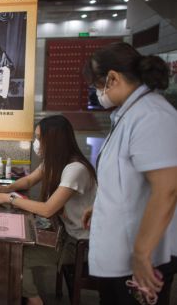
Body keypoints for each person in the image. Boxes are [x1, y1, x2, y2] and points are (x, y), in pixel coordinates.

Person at [81, 42, 177, 305]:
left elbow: (167, 189)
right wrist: (99, 206)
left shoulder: (152, 116)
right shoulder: (130, 113)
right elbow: (128, 179)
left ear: (112, 78)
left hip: (139, 259)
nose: (96, 92)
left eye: (96, 86)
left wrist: (142, 253)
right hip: (119, 253)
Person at [0, 115, 97, 305]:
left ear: (53, 141)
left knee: (16, 255)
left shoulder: (75, 169)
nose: (35, 143)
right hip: (64, 233)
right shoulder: (56, 161)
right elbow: (28, 180)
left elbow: (47, 210)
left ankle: (34, 300)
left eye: (38, 138)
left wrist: (9, 199)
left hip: (77, 244)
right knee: (13, 245)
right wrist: (6, 188)